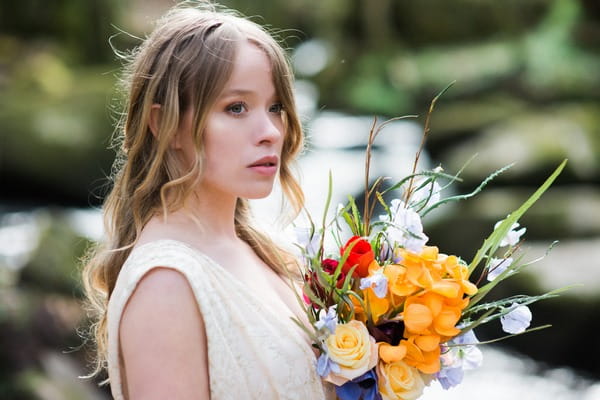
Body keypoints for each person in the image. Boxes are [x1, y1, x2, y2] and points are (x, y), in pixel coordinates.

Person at [81, 2, 333, 399]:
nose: (270, 131)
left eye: (276, 107)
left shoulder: (271, 254)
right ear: (166, 124)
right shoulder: (165, 284)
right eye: (236, 108)